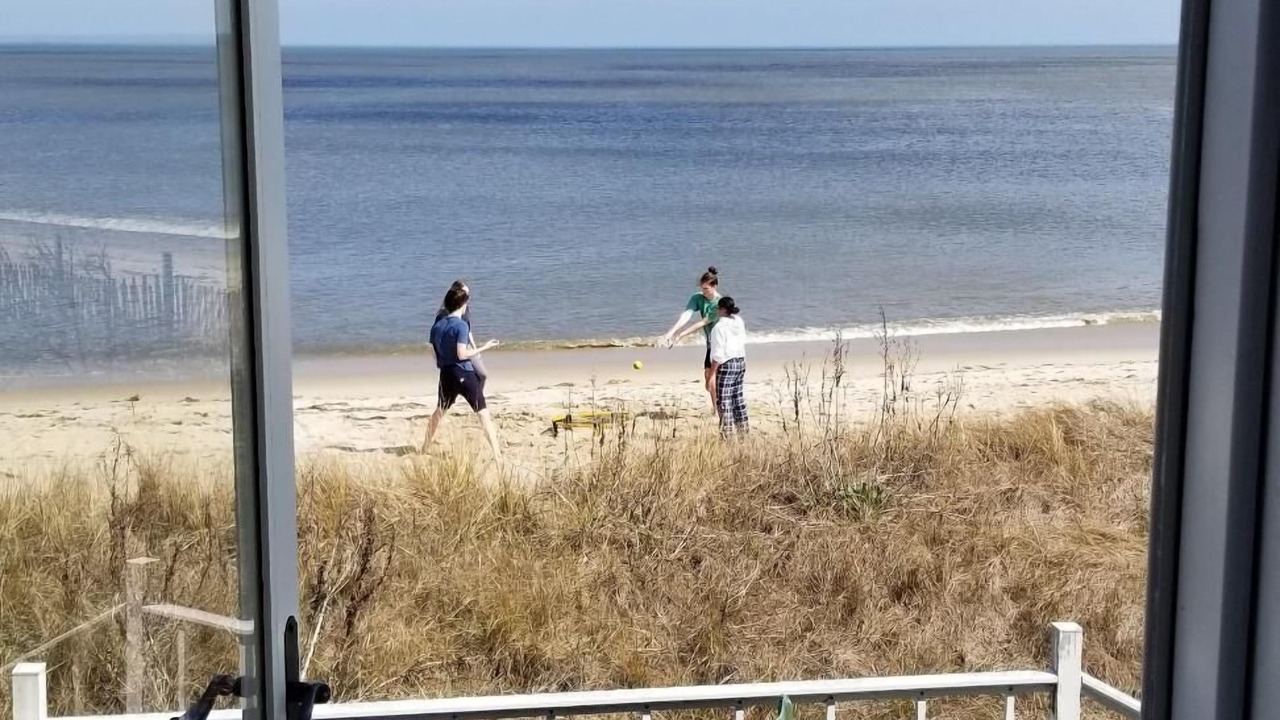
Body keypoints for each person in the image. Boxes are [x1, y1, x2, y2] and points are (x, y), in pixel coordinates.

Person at [422, 284, 502, 461]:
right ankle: (497, 455)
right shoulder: (461, 326)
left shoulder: (437, 326)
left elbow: (432, 350)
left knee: (439, 411)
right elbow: (462, 353)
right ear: (462, 305)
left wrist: (442, 363)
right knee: (483, 413)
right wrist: (485, 347)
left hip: (445, 374)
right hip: (464, 374)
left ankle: (424, 447)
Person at [657, 266, 722, 414]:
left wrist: (681, 335)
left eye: (706, 289)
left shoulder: (719, 303)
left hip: (721, 344)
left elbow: (703, 322)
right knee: (708, 381)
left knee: (712, 379)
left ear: (714, 286)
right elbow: (686, 314)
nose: (703, 291)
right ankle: (717, 405)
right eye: (702, 288)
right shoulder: (697, 298)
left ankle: (717, 409)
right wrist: (671, 333)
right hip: (710, 344)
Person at [708, 296, 749, 436]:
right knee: (738, 398)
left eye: (719, 308)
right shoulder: (738, 320)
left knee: (724, 401)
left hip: (727, 364)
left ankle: (728, 435)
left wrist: (712, 374)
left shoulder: (718, 327)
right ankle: (743, 431)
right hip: (740, 361)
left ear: (723, 309)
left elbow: (718, 353)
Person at [435, 280, 486, 383]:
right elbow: (438, 335)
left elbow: (468, 330)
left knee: (482, 375)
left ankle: (477, 395)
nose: (468, 297)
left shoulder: (465, 309)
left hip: (466, 346)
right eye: (465, 294)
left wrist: (475, 349)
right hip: (452, 350)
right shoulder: (443, 314)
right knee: (453, 379)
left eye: (468, 295)